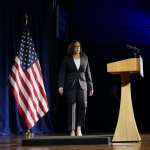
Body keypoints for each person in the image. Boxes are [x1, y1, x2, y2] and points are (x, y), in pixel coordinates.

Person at [58, 40, 94, 136]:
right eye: (75, 46)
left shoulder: (85, 58)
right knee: (71, 106)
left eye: (79, 46)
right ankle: (72, 129)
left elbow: (88, 73)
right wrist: (60, 86)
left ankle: (79, 127)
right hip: (70, 85)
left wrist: (91, 87)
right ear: (72, 48)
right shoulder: (67, 59)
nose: (78, 48)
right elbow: (62, 73)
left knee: (83, 105)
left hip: (83, 85)